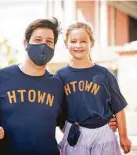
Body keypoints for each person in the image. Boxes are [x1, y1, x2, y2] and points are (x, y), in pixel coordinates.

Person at [0, 18, 118, 155]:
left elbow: (69, 120)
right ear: (25, 43)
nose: (43, 45)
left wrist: (105, 121)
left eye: (49, 41)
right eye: (38, 39)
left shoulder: (57, 83)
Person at [56, 22, 131, 155]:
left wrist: (123, 137)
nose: (78, 45)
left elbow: (118, 107)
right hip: (75, 133)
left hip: (103, 133)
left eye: (83, 41)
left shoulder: (104, 74)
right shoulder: (60, 76)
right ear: (66, 44)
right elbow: (57, 110)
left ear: (91, 43)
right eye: (73, 41)